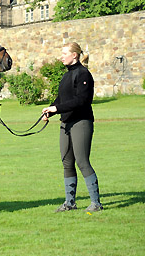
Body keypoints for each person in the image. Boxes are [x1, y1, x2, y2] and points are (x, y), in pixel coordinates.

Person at [42, 42, 103, 212]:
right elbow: (62, 100)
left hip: (81, 122)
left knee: (82, 161)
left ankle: (96, 203)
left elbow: (82, 100)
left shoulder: (83, 74)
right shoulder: (66, 76)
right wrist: (50, 111)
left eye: (64, 53)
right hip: (66, 123)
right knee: (67, 162)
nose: (61, 56)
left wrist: (57, 108)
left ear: (74, 55)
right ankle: (70, 203)